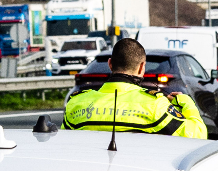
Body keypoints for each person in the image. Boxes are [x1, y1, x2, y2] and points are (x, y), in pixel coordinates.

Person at [62, 37, 207, 138]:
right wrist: (186, 102)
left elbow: (64, 144)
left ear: (110, 64)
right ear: (142, 67)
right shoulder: (155, 105)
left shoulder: (75, 104)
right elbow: (198, 134)